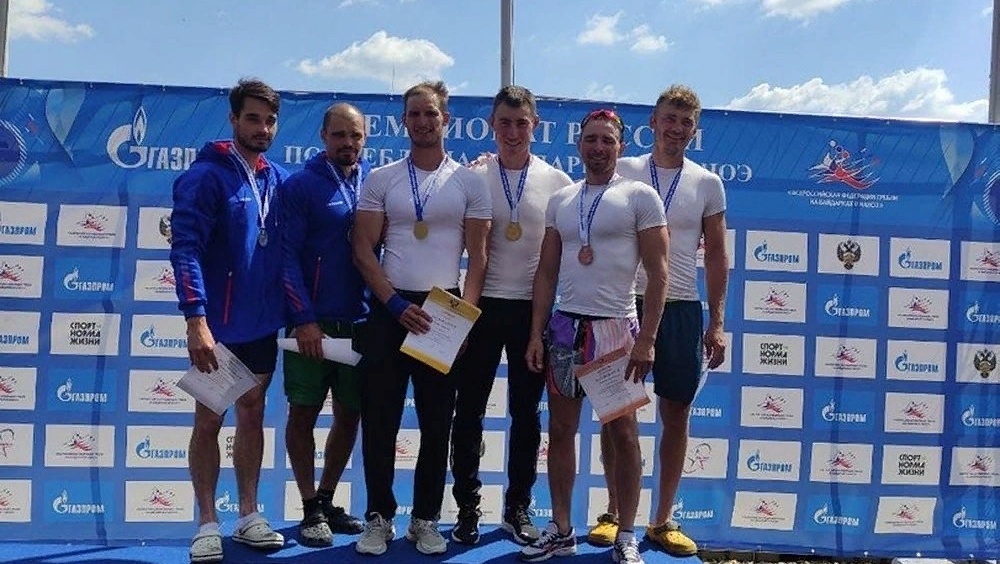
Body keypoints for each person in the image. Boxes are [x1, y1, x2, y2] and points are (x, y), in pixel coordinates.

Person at [520, 109, 670, 564]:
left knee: (623, 434)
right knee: (561, 430)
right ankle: (562, 529)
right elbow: (546, 272)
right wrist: (535, 333)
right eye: (591, 139)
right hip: (566, 327)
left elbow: (659, 274)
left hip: (615, 330)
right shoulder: (562, 199)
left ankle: (626, 533)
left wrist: (646, 339)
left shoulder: (640, 196)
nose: (598, 148)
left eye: (607, 140)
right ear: (579, 144)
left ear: (620, 146)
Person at [350, 80, 492, 557]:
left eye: (431, 113)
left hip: (443, 310)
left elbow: (480, 257)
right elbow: (362, 249)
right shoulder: (382, 178)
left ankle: (426, 519)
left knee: (436, 423)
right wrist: (393, 304)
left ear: (445, 119)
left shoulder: (470, 182)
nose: (423, 121)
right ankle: (378, 517)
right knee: (380, 421)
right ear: (403, 121)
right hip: (391, 309)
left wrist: (464, 317)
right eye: (414, 114)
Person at [590, 84, 728, 557]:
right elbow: (581, 200)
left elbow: (718, 256)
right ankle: (613, 513)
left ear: (695, 130)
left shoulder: (707, 183)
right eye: (669, 118)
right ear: (652, 122)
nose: (676, 128)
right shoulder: (623, 169)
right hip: (623, 303)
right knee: (618, 413)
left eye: (686, 122)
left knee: (676, 414)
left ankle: (662, 520)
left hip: (682, 307)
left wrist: (717, 323)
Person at [170, 78, 290, 564]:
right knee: (209, 419)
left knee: (253, 412)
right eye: (253, 118)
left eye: (270, 120)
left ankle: (247, 514)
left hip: (261, 322)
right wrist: (195, 319)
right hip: (217, 327)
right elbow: (185, 250)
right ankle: (206, 522)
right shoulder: (205, 177)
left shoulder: (276, 178)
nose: (262, 128)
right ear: (234, 119)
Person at [449, 85, 573, 546]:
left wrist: (540, 327)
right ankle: (467, 508)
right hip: (480, 306)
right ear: (491, 125)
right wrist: (463, 317)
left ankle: (517, 507)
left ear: (535, 126)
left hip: (532, 312)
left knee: (526, 415)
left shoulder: (557, 181)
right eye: (505, 122)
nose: (513, 132)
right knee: (468, 412)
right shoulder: (472, 175)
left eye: (522, 123)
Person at [280, 103, 371, 546]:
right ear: (323, 136)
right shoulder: (301, 186)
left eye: (355, 135)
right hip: (312, 324)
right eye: (339, 135)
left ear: (365, 138)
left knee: (350, 413)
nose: (347, 143)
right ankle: (308, 505)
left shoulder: (372, 183)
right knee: (303, 413)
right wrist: (304, 320)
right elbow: (285, 258)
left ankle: (328, 499)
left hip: (360, 322)